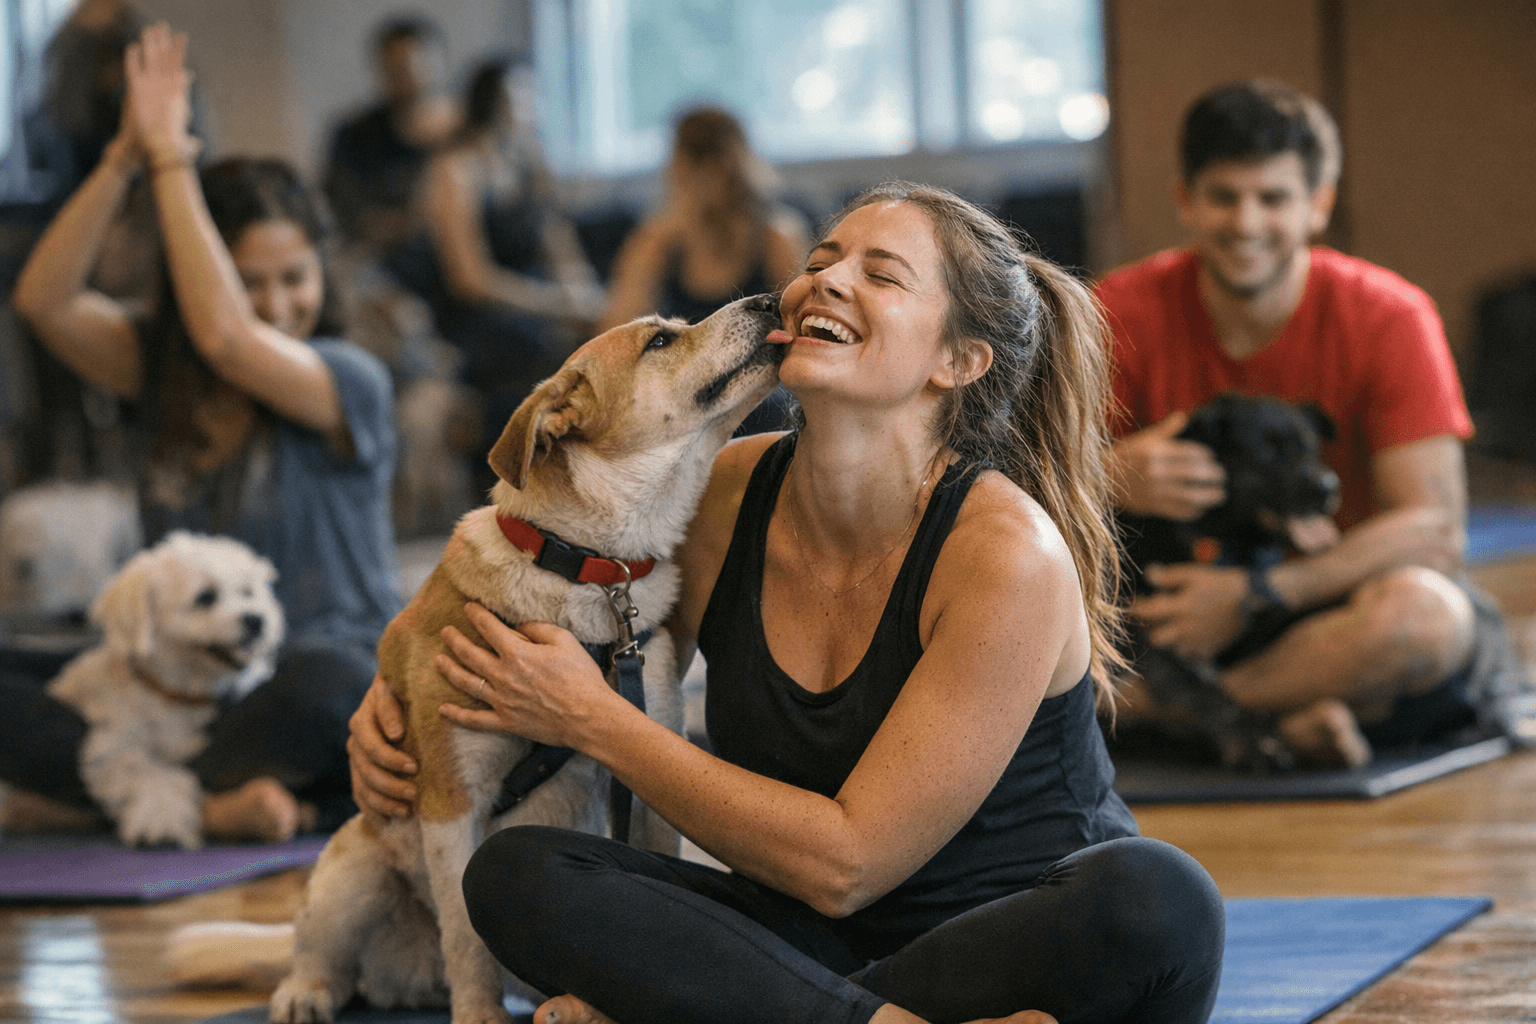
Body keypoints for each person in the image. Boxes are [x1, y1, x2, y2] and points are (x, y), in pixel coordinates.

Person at [350, 182, 1226, 1023]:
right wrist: (385, 709)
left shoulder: (1006, 551)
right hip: (797, 941)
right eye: (822, 257)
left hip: (1004, 940)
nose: (826, 281)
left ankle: (746, 1012)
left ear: (958, 360)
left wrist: (599, 722)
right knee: (516, 875)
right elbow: (483, 589)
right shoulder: (720, 495)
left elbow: (848, 865)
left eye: (881, 275)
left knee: (1159, 897)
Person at [3, 23, 401, 841]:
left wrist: (170, 157)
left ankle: (119, 797)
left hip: (311, 690)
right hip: (169, 695)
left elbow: (227, 339)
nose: (276, 304)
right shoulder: (153, 367)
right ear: (199, 271)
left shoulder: (344, 379)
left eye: (294, 278)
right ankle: (206, 804)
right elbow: (42, 300)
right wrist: (122, 158)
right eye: (246, 281)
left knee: (330, 685)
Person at [1099, 78, 1529, 766]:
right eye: (1223, 197)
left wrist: (1261, 593)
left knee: (1426, 617)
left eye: (1272, 198)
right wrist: (1104, 474)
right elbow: (1014, 487)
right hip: (1171, 618)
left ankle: (1170, 719)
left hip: (1333, 603)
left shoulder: (1389, 316)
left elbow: (1435, 529)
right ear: (1186, 200)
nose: (1246, 223)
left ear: (1317, 205)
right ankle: (1288, 717)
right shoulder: (1116, 312)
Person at [390, 55, 601, 485]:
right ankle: (509, 478)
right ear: (493, 103)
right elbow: (470, 279)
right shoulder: (455, 168)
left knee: (607, 331)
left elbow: (554, 234)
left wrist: (582, 288)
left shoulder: (525, 162)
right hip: (477, 314)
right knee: (543, 352)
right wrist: (556, 305)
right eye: (518, 99)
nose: (528, 109)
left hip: (534, 300)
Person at [598, 107, 808, 434]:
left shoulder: (776, 237)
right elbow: (614, 338)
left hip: (759, 392)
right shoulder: (660, 239)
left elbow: (802, 335)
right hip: (685, 387)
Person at [321, 14, 458, 250]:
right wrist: (418, 220)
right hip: (388, 261)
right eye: (392, 68)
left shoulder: (466, 131)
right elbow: (343, 215)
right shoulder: (355, 135)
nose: (402, 77)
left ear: (438, 62)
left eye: (409, 66)